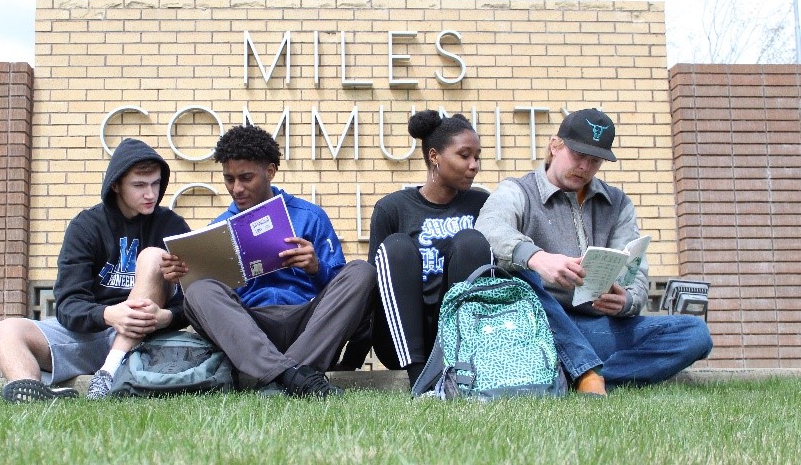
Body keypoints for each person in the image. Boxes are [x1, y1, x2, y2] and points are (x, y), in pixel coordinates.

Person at [369, 110, 609, 395]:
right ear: (435, 156)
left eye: (478, 156)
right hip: (403, 339)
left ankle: (456, 364)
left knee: (472, 241)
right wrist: (354, 351)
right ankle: (420, 380)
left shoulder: (481, 203)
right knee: (397, 247)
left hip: (466, 335)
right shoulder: (392, 208)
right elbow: (377, 285)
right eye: (464, 155)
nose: (474, 165)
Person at [476, 108, 712, 388]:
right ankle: (584, 372)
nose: (585, 168)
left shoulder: (617, 203)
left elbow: (633, 270)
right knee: (522, 278)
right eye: (578, 156)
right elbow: (487, 229)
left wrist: (627, 302)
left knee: (695, 333)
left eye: (595, 161)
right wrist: (537, 258)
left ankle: (582, 375)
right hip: (537, 327)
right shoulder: (518, 191)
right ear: (555, 146)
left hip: (594, 326)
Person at [180, 124, 376, 398]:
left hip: (307, 324)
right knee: (198, 291)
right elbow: (216, 306)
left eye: (246, 177)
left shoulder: (310, 216)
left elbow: (342, 293)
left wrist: (316, 268)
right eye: (229, 179)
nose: (236, 188)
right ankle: (292, 377)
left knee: (361, 272)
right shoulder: (219, 228)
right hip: (250, 326)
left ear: (270, 171)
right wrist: (185, 276)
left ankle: (278, 376)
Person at [0, 138, 191, 402]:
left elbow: (196, 299)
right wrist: (109, 314)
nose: (151, 194)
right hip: (93, 332)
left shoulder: (170, 225)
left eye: (155, 184)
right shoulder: (86, 226)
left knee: (153, 257)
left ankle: (108, 374)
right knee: (3, 330)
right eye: (139, 185)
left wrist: (164, 317)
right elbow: (68, 304)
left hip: (145, 339)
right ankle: (31, 392)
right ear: (116, 185)